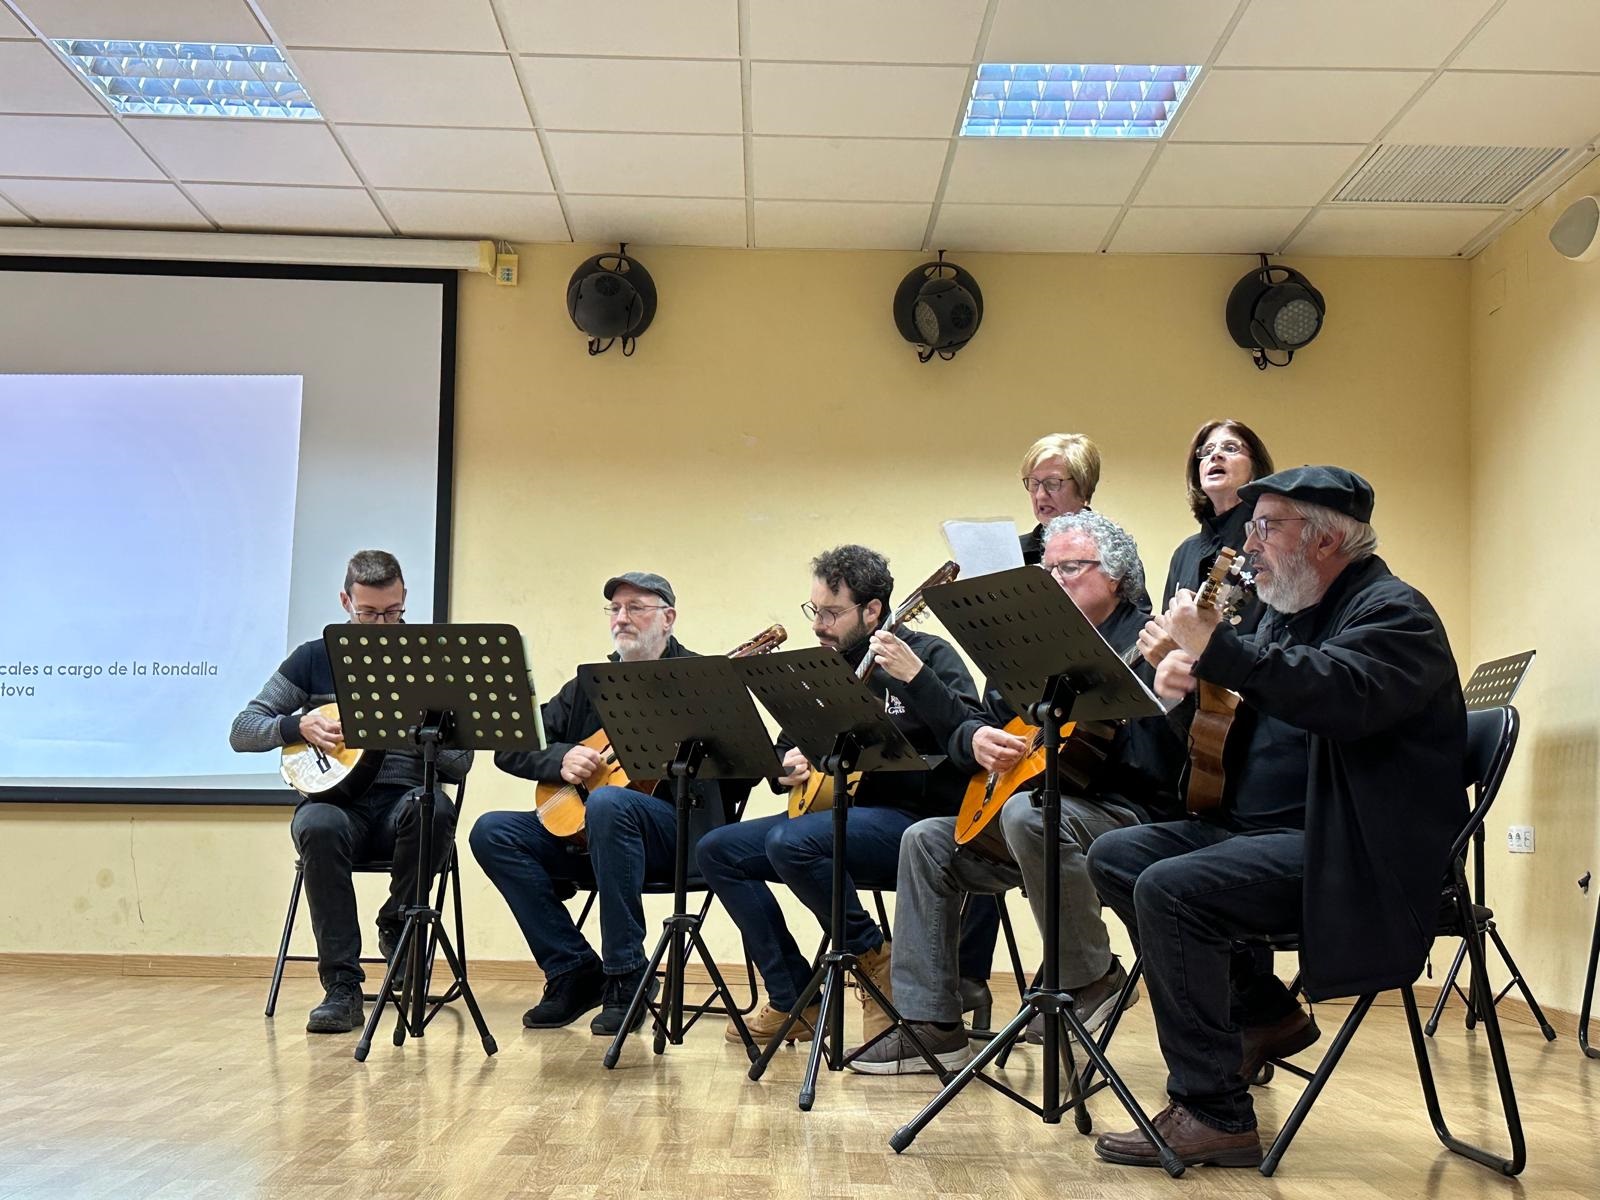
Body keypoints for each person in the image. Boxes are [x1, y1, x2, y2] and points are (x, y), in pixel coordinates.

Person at [1087, 468, 1467, 1168]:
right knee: (1117, 855)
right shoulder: (1280, 616)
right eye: (1252, 527)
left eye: (1267, 527)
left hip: (1352, 850)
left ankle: (1215, 1113)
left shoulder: (1395, 615)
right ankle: (1262, 1011)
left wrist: (1219, 649)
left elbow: (1337, 694)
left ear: (1325, 540)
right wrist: (1181, 695)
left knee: (1172, 889)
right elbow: (1223, 739)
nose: (1251, 544)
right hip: (1259, 836)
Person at [848, 512, 1185, 1073]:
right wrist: (978, 741)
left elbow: (1166, 760)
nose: (1052, 581)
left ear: (1116, 577)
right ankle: (932, 1023)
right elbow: (989, 724)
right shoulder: (1034, 644)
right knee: (926, 840)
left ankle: (1092, 975)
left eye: (1069, 568)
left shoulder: (1150, 639)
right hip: (1029, 810)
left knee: (1031, 814)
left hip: (1125, 814)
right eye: (1046, 570)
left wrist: (1147, 703)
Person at [696, 545, 979, 1046]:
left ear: (873, 610)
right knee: (718, 850)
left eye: (831, 613)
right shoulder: (820, 668)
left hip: (917, 822)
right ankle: (795, 995)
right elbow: (785, 746)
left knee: (791, 842)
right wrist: (784, 766)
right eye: (815, 610)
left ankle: (872, 960)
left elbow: (971, 734)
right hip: (838, 819)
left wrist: (917, 680)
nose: (818, 625)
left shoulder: (928, 656)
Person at [471, 572, 745, 1037]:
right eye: (615, 609)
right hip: (591, 836)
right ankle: (573, 969)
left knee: (610, 803)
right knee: (493, 831)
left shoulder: (702, 679)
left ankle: (627, 975)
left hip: (678, 835)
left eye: (636, 607)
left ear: (668, 618)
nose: (622, 618)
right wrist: (560, 757)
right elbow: (511, 745)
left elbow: (746, 764)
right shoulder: (589, 685)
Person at [230, 549, 471, 1034]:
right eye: (369, 614)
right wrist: (297, 726)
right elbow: (242, 730)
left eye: (393, 613)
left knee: (433, 807)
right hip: (337, 805)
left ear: (404, 598)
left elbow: (460, 762)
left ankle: (399, 926)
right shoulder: (314, 658)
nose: (382, 625)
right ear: (346, 602)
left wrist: (420, 731)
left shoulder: (431, 661)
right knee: (316, 824)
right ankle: (341, 987)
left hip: (404, 804)